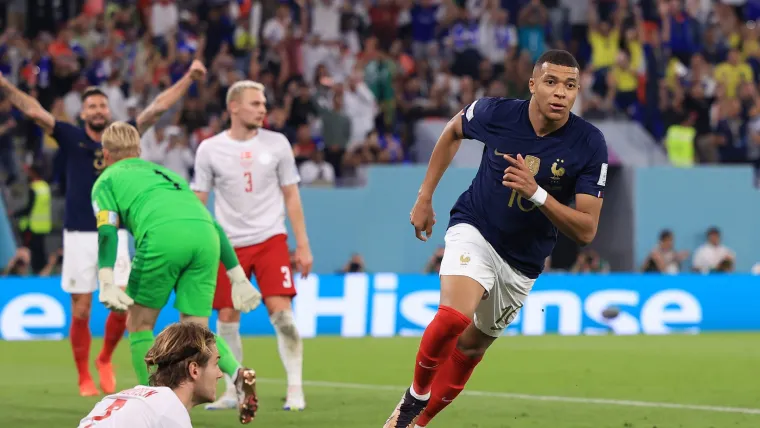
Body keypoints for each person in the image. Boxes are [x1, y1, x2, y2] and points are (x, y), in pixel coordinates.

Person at [383, 50, 609, 428]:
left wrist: (537, 193)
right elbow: (454, 130)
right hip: (476, 226)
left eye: (570, 86)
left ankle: (414, 424)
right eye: (551, 82)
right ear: (532, 84)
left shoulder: (589, 143)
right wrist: (425, 196)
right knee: (454, 317)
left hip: (523, 261)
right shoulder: (496, 113)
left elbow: (586, 229)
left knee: (470, 348)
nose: (560, 93)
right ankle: (414, 398)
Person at [0, 60, 207, 397]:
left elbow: (157, 108)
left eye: (101, 105)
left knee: (123, 302)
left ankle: (105, 358)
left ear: (109, 111)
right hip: (80, 233)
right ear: (83, 114)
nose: (97, 110)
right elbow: (35, 111)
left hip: (118, 233)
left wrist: (188, 78)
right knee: (81, 307)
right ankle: (83, 375)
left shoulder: (124, 135)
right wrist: (6, 86)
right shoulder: (70, 137)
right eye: (91, 106)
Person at [91, 121, 262, 423]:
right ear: (139, 150)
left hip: (162, 238)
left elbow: (107, 231)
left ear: (105, 154)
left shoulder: (107, 180)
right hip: (205, 238)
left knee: (140, 324)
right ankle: (236, 372)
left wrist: (105, 276)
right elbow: (209, 222)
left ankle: (152, 399)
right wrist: (236, 274)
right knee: (198, 329)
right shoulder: (168, 175)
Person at [191, 80, 313, 411]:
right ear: (234, 107)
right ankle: (234, 390)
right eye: (256, 104)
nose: (263, 109)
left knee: (283, 316)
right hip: (226, 244)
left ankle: (295, 388)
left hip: (271, 239)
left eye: (263, 103)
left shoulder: (277, 144)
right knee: (227, 317)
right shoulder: (209, 149)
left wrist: (302, 245)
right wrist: (196, 248)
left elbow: (292, 195)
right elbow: (198, 202)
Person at [77, 322, 258, 427]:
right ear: (194, 370)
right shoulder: (169, 413)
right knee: (140, 321)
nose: (219, 374)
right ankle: (237, 373)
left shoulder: (122, 398)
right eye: (216, 364)